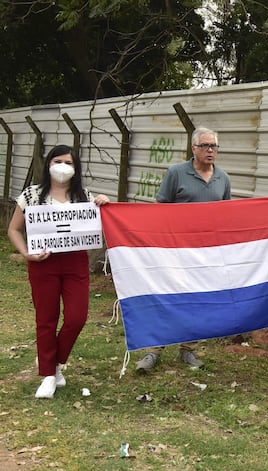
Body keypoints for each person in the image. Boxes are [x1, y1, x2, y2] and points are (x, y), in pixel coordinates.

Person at [7, 144, 110, 398]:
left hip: (75, 263)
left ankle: (55, 361)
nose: (63, 167)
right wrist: (26, 253)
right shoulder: (31, 195)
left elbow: (99, 224)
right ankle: (49, 375)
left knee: (77, 317)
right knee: (46, 319)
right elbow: (14, 229)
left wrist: (103, 204)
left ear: (76, 168)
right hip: (43, 263)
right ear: (48, 164)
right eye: (58, 161)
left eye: (69, 162)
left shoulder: (84, 196)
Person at [135, 127, 231, 372]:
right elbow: (160, 208)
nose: (211, 150)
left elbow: (228, 215)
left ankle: (187, 349)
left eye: (214, 146)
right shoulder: (176, 173)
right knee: (166, 296)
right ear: (194, 149)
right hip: (175, 249)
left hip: (205, 252)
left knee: (195, 300)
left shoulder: (223, 178)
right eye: (205, 146)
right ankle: (153, 350)